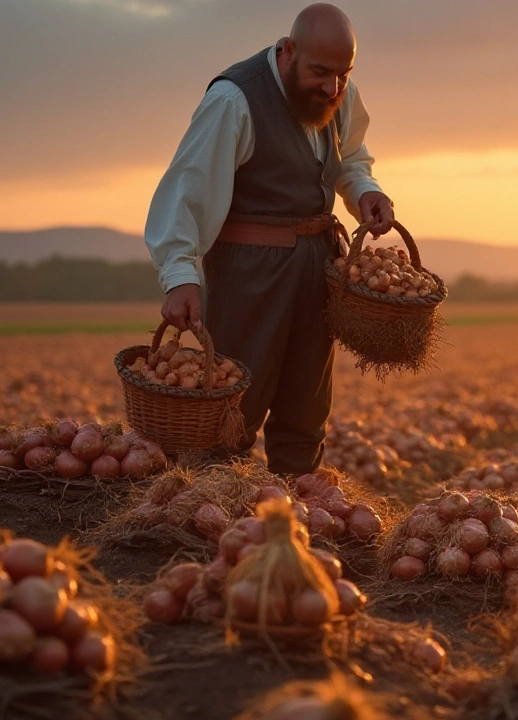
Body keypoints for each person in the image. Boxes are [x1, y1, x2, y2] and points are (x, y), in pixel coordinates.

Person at [143, 3, 394, 474]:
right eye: (321, 72)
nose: (332, 87)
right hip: (249, 271)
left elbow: (353, 156)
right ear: (289, 51)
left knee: (306, 409)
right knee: (233, 409)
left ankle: (294, 526)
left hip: (319, 264)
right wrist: (179, 274)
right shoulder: (233, 100)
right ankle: (209, 514)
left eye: (343, 74)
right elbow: (185, 192)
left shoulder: (339, 90)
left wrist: (365, 192)